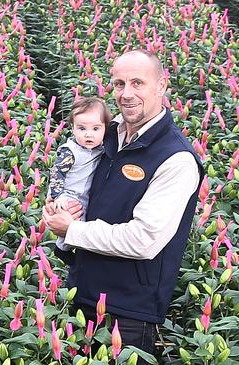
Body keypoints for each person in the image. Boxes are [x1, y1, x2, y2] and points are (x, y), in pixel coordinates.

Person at [43, 49, 203, 361]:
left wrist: (73, 230)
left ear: (161, 86)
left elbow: (142, 241)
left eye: (137, 83)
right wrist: (59, 207)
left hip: (127, 312)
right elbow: (73, 179)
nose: (126, 94)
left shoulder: (176, 159)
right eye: (118, 84)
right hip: (82, 294)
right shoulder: (106, 133)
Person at [48, 97, 110, 253]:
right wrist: (58, 197)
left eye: (96, 129)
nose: (89, 135)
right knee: (71, 222)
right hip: (68, 196)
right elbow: (57, 174)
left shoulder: (100, 148)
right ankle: (62, 249)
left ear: (105, 129)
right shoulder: (70, 151)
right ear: (73, 128)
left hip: (85, 196)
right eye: (82, 129)